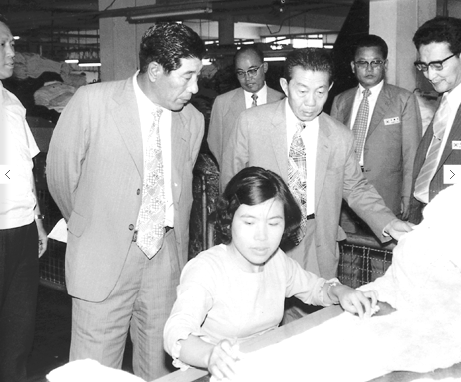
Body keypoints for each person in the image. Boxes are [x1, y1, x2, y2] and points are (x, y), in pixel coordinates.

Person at [46, 22, 205, 381]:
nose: (195, 88)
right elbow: (60, 175)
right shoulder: (93, 102)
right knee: (94, 371)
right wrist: (89, 226)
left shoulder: (192, 120)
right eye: (187, 77)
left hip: (164, 260)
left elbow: (180, 187)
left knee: (163, 371)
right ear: (155, 71)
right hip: (102, 257)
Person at [221, 48, 413, 321]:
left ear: (330, 88)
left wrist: (389, 223)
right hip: (263, 237)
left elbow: (356, 188)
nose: (311, 102)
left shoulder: (339, 136)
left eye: (320, 92)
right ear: (285, 85)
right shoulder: (251, 124)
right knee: (258, 319)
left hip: (317, 240)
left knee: (311, 325)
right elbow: (230, 185)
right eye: (302, 91)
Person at [163, 167, 378, 381]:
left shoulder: (277, 261)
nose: (262, 236)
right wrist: (210, 355)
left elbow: (315, 288)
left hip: (266, 368)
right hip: (218, 373)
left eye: (273, 223)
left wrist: (340, 291)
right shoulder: (206, 268)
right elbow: (176, 331)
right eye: (249, 222)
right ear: (229, 220)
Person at [0, 15, 48, 382]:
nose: (11, 52)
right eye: (2, 45)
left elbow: (24, 167)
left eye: (11, 44)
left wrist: (38, 221)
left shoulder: (12, 101)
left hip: (22, 228)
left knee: (18, 329)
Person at [331, 34, 421, 224]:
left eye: (376, 62)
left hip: (387, 196)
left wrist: (408, 196)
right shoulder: (341, 101)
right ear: (353, 66)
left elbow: (411, 154)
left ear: (385, 65)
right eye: (362, 63)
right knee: (349, 242)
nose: (369, 68)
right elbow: (333, 153)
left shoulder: (403, 99)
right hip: (347, 196)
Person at [409, 16, 461, 225]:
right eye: (423, 66)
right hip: (426, 217)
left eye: (438, 65)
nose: (430, 75)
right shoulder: (445, 101)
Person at [207, 45, 284, 169]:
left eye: (252, 70)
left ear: (264, 67)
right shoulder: (222, 103)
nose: (247, 78)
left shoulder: (281, 101)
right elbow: (215, 144)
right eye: (241, 73)